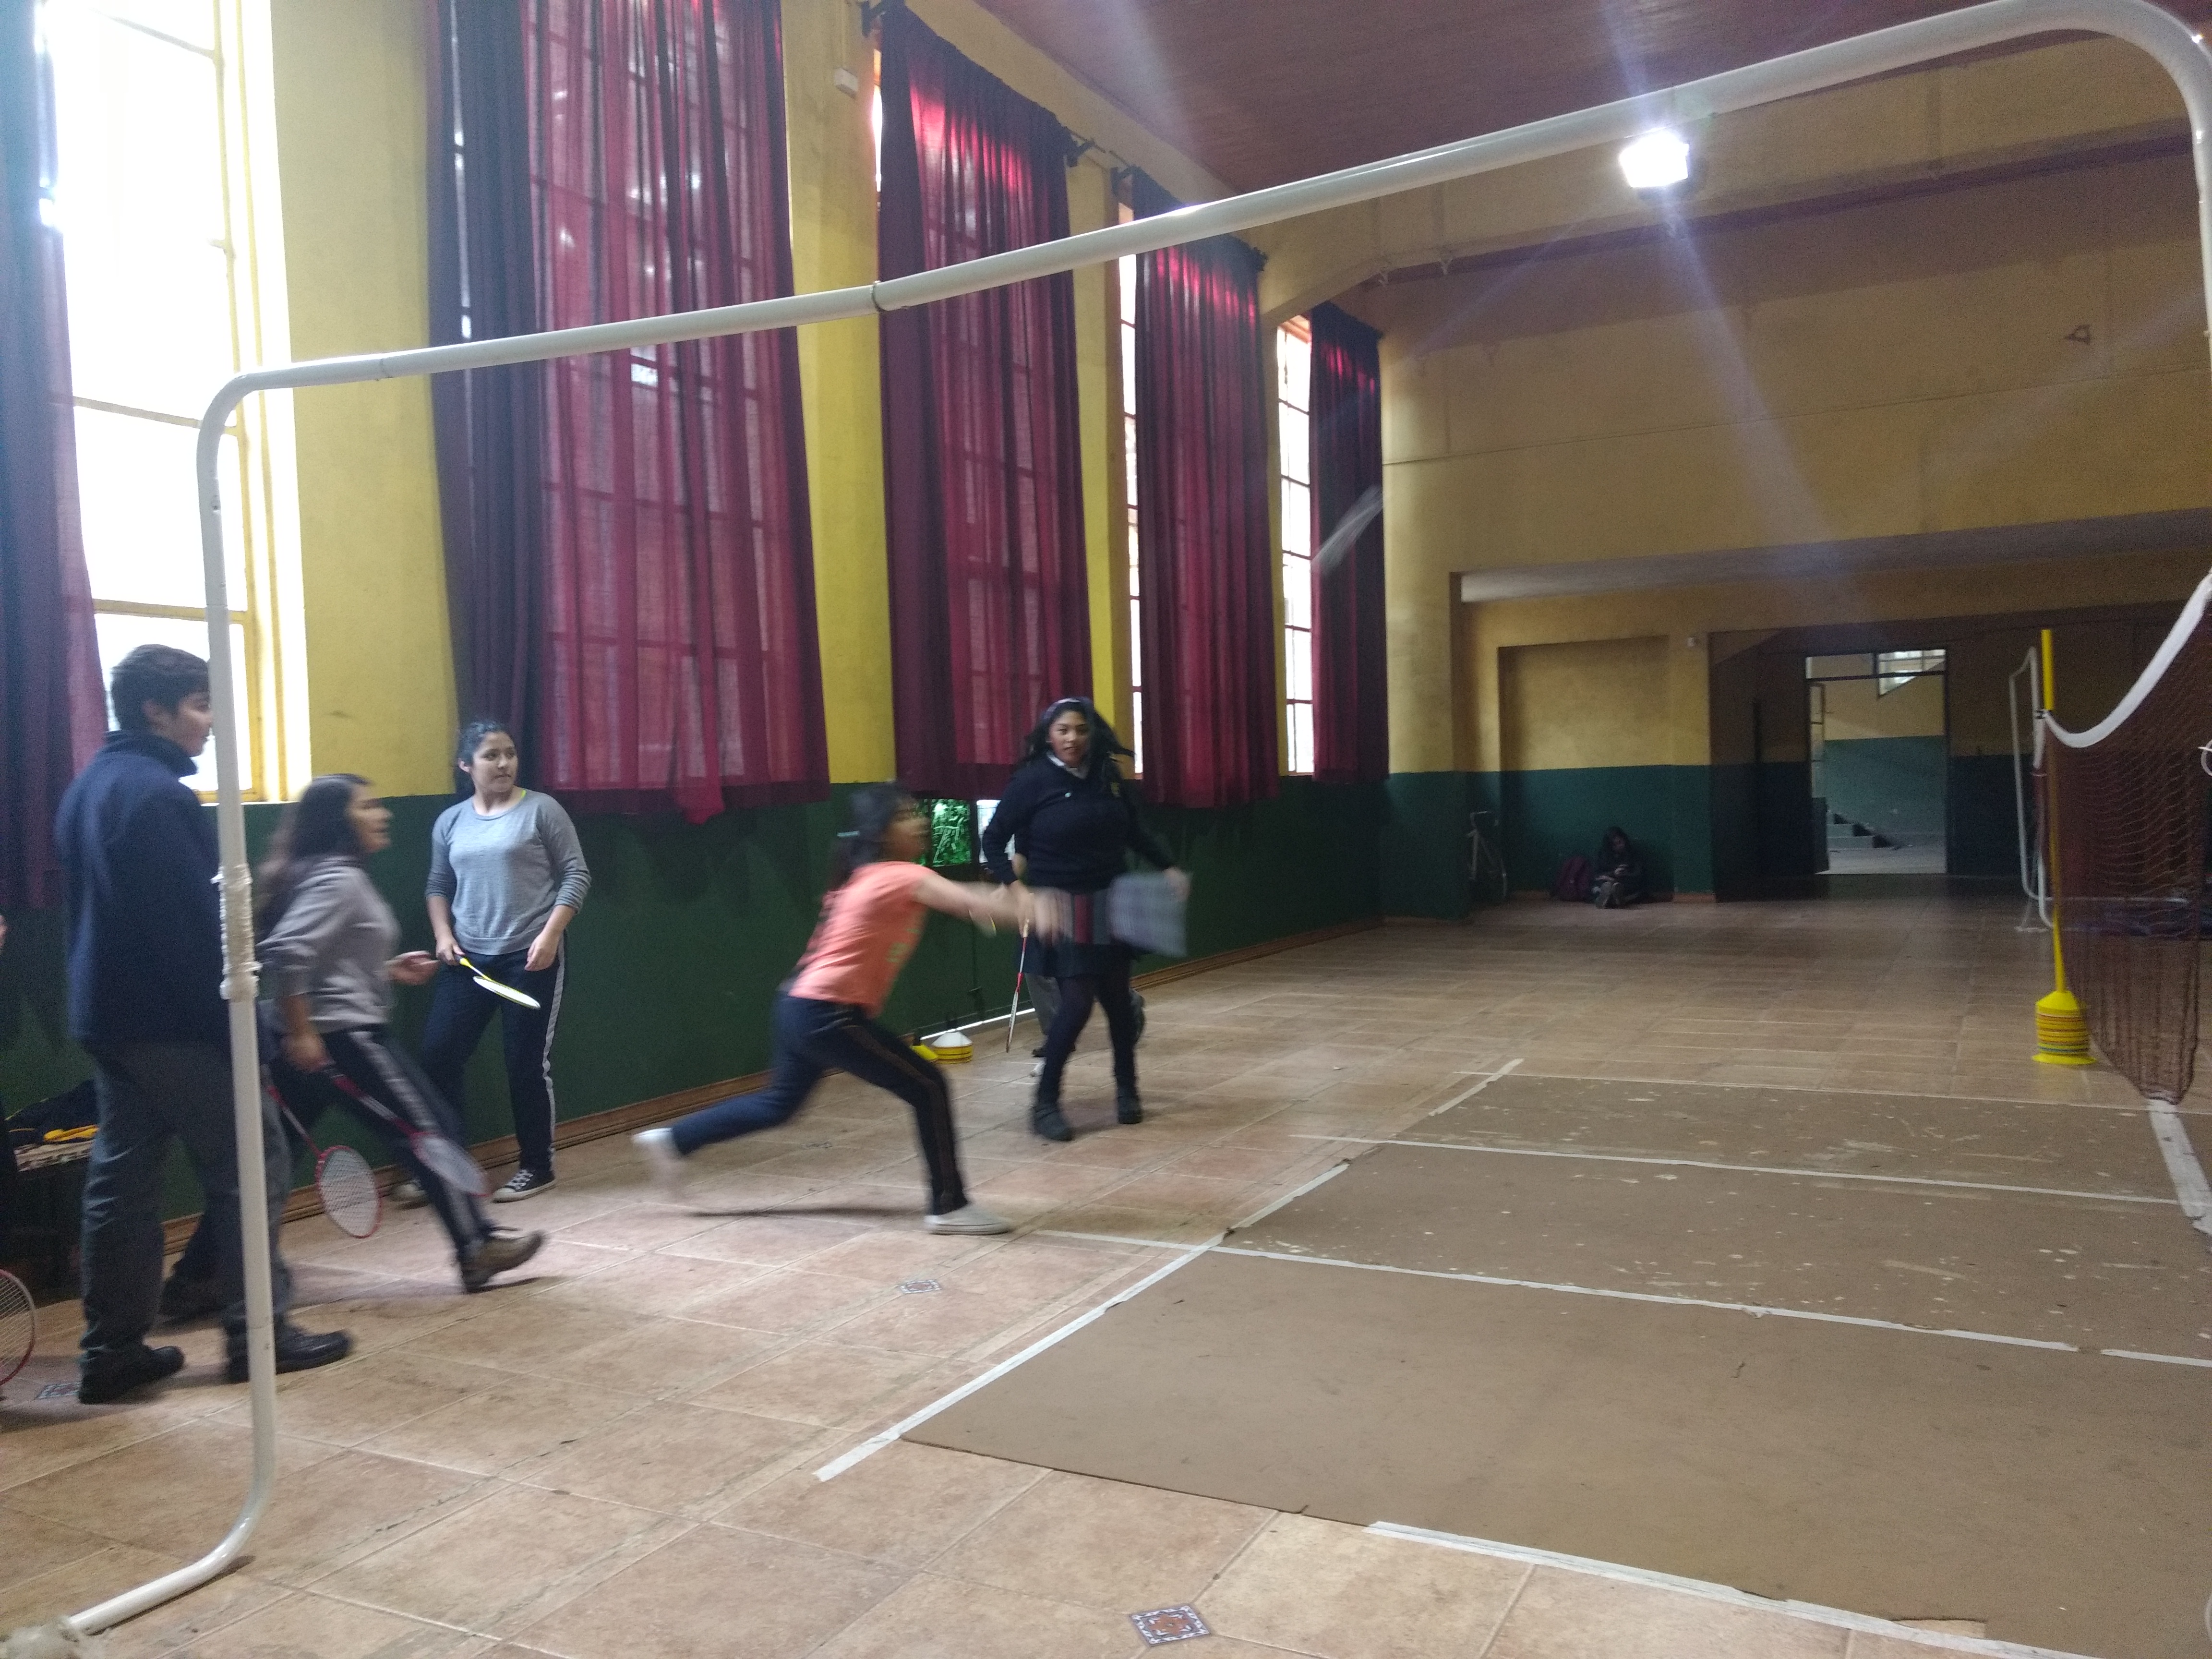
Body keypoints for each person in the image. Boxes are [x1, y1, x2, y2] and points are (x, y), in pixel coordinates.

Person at [55, 644, 349, 1403]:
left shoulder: (90, 785)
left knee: (123, 1183)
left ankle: (111, 1353)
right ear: (155, 711)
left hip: (108, 1018)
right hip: (173, 1024)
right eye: (200, 705)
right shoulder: (158, 798)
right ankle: (260, 1335)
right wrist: (243, 1034)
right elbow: (189, 938)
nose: (211, 722)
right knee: (256, 1163)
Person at [632, 785, 1060, 1233]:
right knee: (928, 1086)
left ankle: (674, 1139)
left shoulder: (862, 875)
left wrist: (1019, 901)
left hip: (797, 1007)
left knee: (780, 1105)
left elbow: (976, 905)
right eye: (905, 816)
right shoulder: (901, 875)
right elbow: (975, 903)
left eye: (916, 813)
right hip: (827, 1013)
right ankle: (949, 1206)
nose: (919, 822)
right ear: (881, 832)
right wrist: (1036, 907)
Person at [258, 775, 546, 1293]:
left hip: (318, 1037)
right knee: (430, 1129)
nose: (383, 814)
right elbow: (289, 953)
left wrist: (387, 970)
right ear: (339, 822)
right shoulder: (339, 880)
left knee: (269, 1161)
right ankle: (476, 1246)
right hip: (345, 1038)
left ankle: (204, 1274)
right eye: (368, 807)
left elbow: (325, 961)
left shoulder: (324, 874)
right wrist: (302, 1032)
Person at [980, 697, 1187, 1142]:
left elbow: (1134, 831)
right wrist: (1017, 891)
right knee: (1075, 1005)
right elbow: (994, 840)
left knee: (1117, 1002)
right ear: (1049, 736)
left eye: (1081, 730)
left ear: (1092, 733)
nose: (1073, 739)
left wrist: (1168, 867)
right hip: (1060, 906)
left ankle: (1128, 1090)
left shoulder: (1106, 777)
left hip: (1111, 901)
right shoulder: (1032, 781)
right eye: (1063, 731)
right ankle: (1045, 1103)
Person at [420, 721, 589, 1202]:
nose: (503, 763)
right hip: (468, 961)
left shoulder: (542, 810)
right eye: (491, 755)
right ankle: (452, 1168)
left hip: (529, 958)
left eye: (509, 753)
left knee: (524, 1064)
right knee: (438, 1055)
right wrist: (443, 934)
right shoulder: (451, 822)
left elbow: (576, 874)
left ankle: (537, 1166)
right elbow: (438, 884)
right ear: (466, 765)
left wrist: (550, 936)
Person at [1591, 826, 1647, 909]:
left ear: (1624, 839)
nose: (1619, 846)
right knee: (1598, 886)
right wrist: (1613, 874)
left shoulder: (1633, 854)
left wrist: (1621, 877)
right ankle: (1606, 898)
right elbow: (1596, 874)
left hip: (1626, 884)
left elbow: (1639, 874)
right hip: (1606, 882)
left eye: (1620, 842)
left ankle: (1615, 899)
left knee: (1636, 889)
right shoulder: (1601, 855)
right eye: (1615, 845)